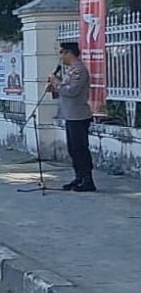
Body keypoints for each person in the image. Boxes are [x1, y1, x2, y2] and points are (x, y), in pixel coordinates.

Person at [46, 42, 96, 192]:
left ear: (69, 53)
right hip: (70, 115)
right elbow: (64, 91)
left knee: (80, 149)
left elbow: (73, 91)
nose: (60, 56)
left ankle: (88, 180)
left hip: (79, 116)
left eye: (61, 52)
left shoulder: (79, 70)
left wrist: (57, 82)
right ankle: (78, 177)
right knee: (73, 149)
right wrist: (53, 88)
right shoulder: (70, 71)